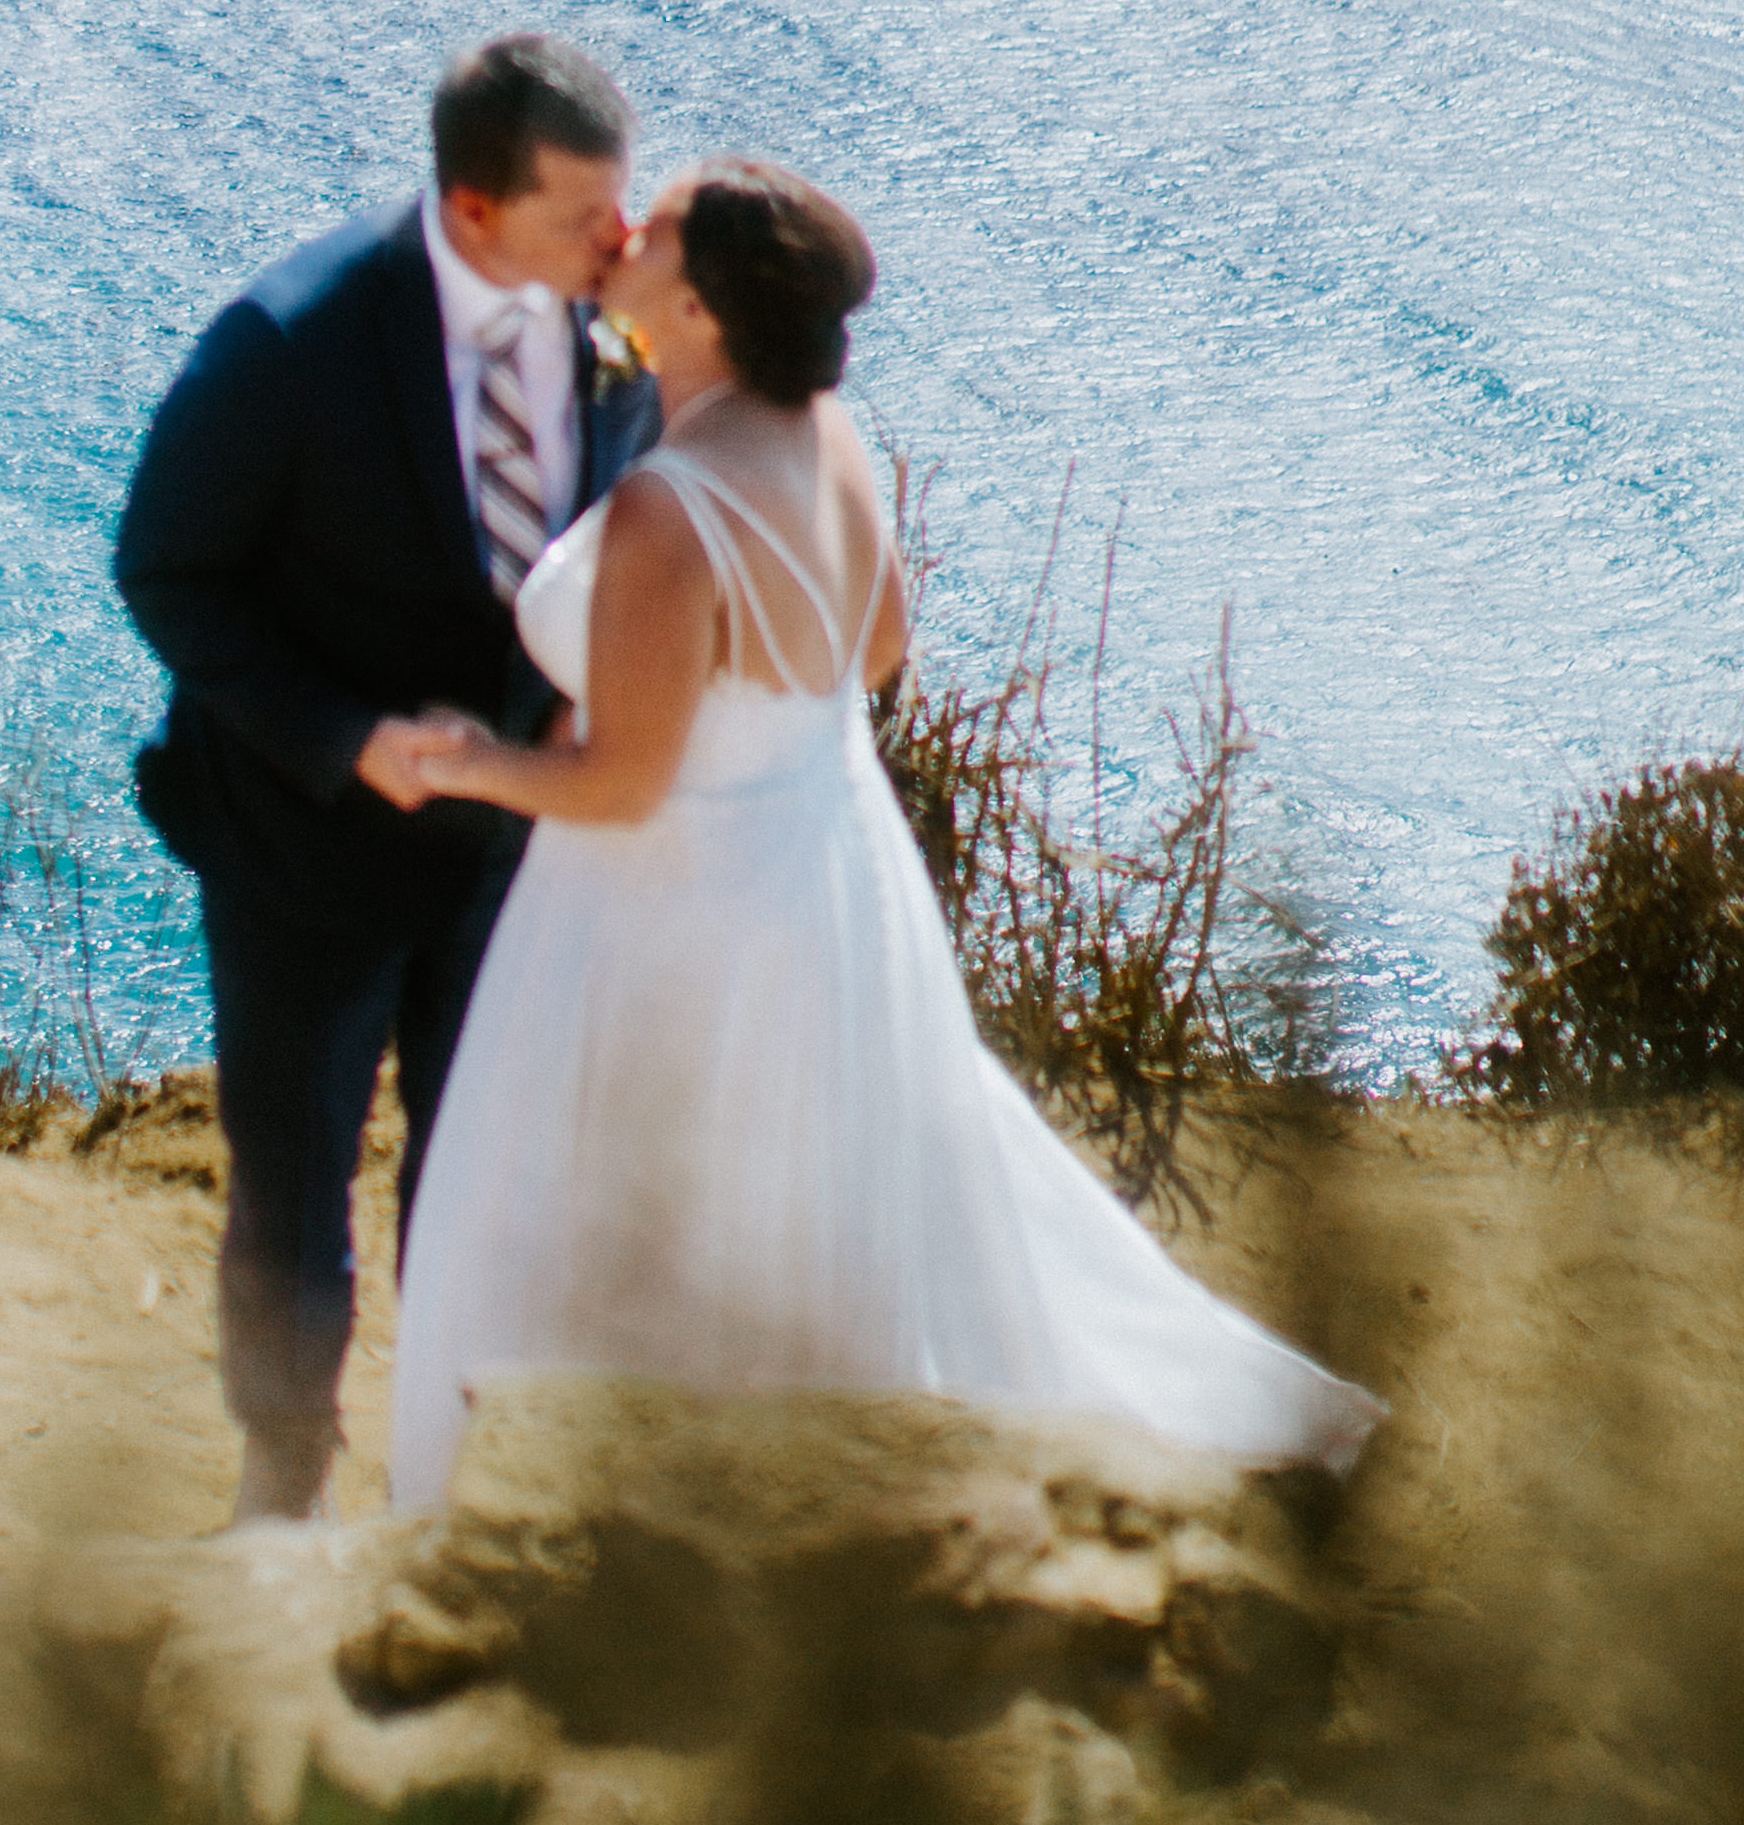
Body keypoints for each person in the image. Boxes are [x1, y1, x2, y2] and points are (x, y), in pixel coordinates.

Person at [383, 160, 1379, 1515]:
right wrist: (736, 717)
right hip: (823, 875)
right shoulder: (824, 438)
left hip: (666, 918)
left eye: (655, 228)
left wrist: (467, 766)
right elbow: (881, 643)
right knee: (803, 1202)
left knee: (598, 1206)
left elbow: (619, 786)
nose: (625, 228)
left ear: (697, 314)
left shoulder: (674, 513)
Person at [116, 33, 665, 1522]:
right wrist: (347, 738)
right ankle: (280, 1478)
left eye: (621, 212)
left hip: (509, 859)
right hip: (306, 852)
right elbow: (166, 570)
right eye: (580, 220)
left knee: (477, 1175)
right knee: (292, 1188)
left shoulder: (611, 342)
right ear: (475, 211)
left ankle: (444, 1474)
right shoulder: (291, 341)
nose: (617, 246)